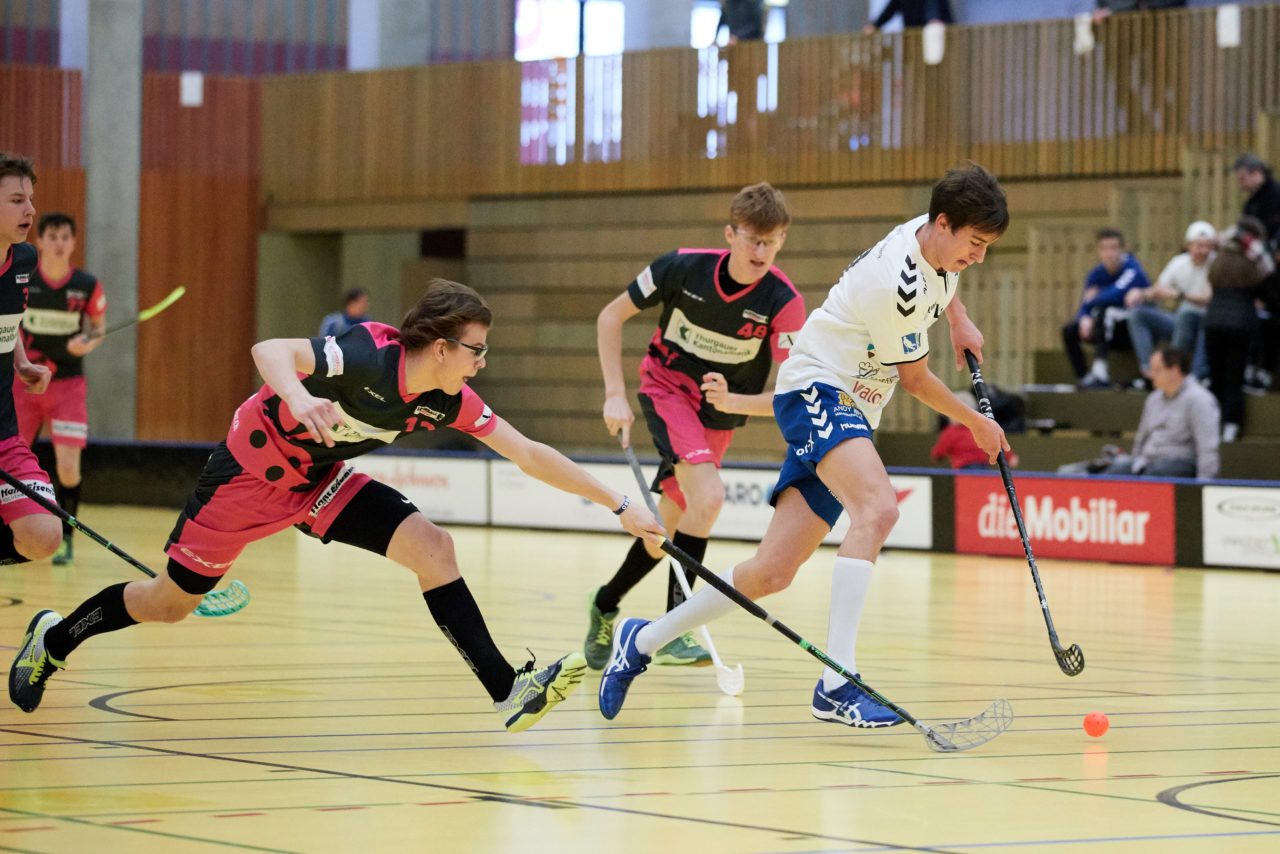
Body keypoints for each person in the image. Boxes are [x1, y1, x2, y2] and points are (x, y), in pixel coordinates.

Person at [9, 279, 665, 733]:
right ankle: (54, 639)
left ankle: (508, 689)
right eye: (477, 349)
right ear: (441, 347)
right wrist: (299, 396)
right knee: (168, 603)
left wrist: (619, 504)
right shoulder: (366, 354)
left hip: (319, 482)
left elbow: (527, 452)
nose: (482, 362)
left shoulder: (447, 400)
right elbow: (269, 351)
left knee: (433, 547)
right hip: (246, 477)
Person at [598, 163, 1010, 727]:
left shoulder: (931, 237)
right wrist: (976, 422)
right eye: (976, 244)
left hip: (852, 408)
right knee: (878, 509)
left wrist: (958, 319)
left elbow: (944, 280)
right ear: (943, 224)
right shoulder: (895, 281)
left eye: (986, 246)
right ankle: (838, 683)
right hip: (819, 392)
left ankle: (641, 641)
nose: (979, 257)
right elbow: (915, 380)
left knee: (771, 572)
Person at [589, 182, 805, 670]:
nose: (761, 251)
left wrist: (734, 401)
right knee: (707, 499)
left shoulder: (784, 301)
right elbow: (609, 317)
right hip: (667, 389)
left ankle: (604, 602)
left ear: (783, 241)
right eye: (752, 239)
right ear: (730, 234)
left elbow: (792, 396)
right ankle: (673, 631)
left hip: (719, 415)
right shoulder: (681, 267)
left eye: (771, 241)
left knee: (666, 525)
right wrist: (614, 394)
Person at [14, 212, 107, 565]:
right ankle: (11, 534)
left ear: (73, 243)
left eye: (64, 237)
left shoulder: (86, 285)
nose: (58, 243)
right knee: (11, 461)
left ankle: (66, 536)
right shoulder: (24, 277)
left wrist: (88, 341)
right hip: (24, 385)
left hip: (67, 386)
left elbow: (98, 327)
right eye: (51, 236)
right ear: (39, 240)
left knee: (68, 468)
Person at [0, 153, 61, 567]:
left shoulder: (23, 259)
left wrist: (21, 362)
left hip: (3, 431)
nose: (31, 210)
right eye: (17, 200)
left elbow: (9, 317)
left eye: (31, 199)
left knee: (44, 536)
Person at [1101, 347, 1219, 479]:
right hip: (1148, 462)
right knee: (1114, 473)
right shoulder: (1153, 399)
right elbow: (1141, 438)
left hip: (1179, 463)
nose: (1151, 374)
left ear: (1174, 370)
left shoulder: (1199, 399)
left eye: (1156, 370)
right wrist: (1134, 461)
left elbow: (1207, 447)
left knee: (1154, 475)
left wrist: (1203, 483)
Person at [1205, 218, 1274, 442]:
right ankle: (1232, 426)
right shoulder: (1254, 261)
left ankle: (1212, 423)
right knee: (1234, 378)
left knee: (1216, 376)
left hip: (1213, 321)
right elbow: (1268, 277)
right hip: (1241, 323)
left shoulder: (1218, 259)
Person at [1125, 220, 1216, 386]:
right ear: (1188, 245)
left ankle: (1188, 376)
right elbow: (1160, 289)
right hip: (1180, 321)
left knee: (1188, 313)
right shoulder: (1179, 262)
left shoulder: (1216, 263)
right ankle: (1150, 371)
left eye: (1208, 246)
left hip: (1206, 321)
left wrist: (1179, 295)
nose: (1204, 251)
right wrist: (1140, 293)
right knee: (1137, 314)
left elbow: (1208, 298)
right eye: (1199, 246)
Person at [1062, 227, 1149, 389]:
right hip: (1106, 328)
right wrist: (1084, 318)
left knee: (1104, 312)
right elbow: (1085, 304)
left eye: (1113, 248)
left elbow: (1115, 294)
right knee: (1070, 330)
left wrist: (1094, 299)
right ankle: (1084, 377)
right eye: (1104, 249)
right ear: (1099, 251)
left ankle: (1100, 370)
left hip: (1130, 329)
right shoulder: (1096, 274)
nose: (1109, 253)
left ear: (1122, 250)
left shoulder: (1132, 269)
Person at [1233, 154, 1280, 393]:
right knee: (1258, 319)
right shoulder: (1251, 203)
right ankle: (1254, 369)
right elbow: (1244, 235)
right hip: (1261, 272)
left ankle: (1266, 371)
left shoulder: (1276, 195)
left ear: (1257, 174)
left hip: (1275, 273)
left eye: (1242, 178)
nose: (1239, 184)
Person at [864, 0, 954, 32]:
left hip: (936, 33)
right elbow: (891, 9)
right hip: (913, 36)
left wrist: (933, 18)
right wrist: (875, 25)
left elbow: (933, 6)